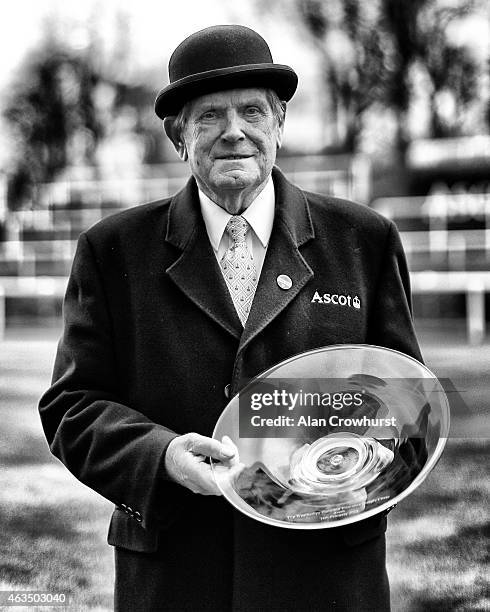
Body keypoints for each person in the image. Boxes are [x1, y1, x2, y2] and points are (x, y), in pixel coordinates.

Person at [39, 24, 422, 611]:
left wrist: (349, 471)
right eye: (210, 116)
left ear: (280, 124)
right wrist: (163, 457)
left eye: (252, 112)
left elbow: (411, 405)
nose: (234, 132)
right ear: (178, 135)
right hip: (176, 576)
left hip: (327, 577)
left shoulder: (363, 240)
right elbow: (73, 405)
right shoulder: (113, 250)